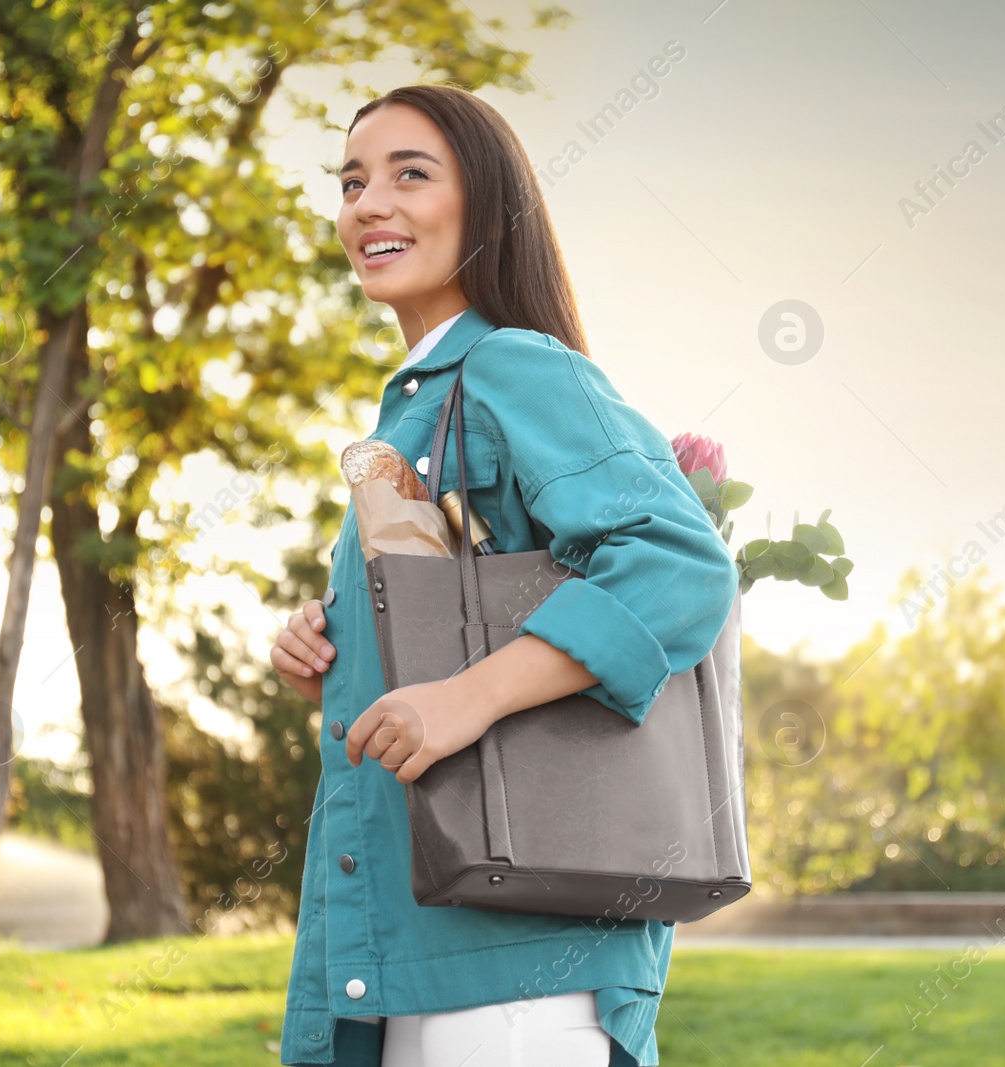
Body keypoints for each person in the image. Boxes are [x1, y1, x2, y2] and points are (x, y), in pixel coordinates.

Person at [269, 83, 738, 1067]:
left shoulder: (513, 366)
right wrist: (340, 655)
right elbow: (457, 629)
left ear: (483, 205)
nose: (369, 204)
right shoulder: (413, 412)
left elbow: (678, 568)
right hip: (426, 956)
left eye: (410, 174)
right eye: (353, 181)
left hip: (519, 986)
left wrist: (466, 697)